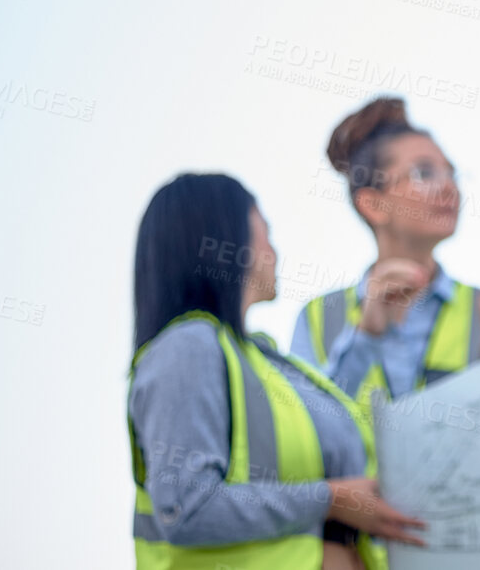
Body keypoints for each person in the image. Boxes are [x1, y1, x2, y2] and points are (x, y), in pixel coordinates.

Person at [129, 172, 426, 569]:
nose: (276, 248)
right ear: (228, 236)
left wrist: (370, 330)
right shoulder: (189, 348)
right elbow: (186, 506)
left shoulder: (256, 359)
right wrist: (331, 499)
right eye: (264, 229)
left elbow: (332, 429)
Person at [291, 96, 480, 406]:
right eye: (424, 174)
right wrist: (365, 338)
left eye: (450, 173)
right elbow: (304, 430)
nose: (448, 187)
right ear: (374, 204)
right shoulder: (320, 317)